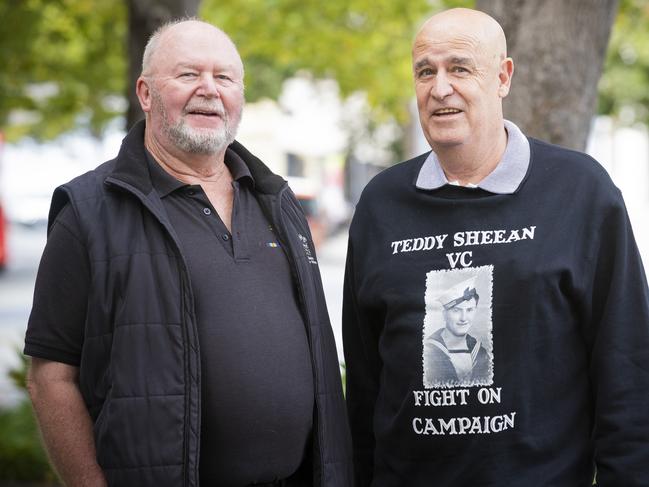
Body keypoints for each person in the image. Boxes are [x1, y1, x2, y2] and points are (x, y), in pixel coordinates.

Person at [24, 19, 352, 487]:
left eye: (224, 78)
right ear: (145, 93)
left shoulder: (277, 201)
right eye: (187, 75)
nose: (209, 90)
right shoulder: (88, 212)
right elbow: (50, 378)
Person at [343, 7, 649, 487]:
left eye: (460, 68)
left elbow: (628, 371)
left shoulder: (580, 192)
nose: (440, 87)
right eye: (426, 71)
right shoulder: (381, 203)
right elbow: (364, 386)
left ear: (503, 77)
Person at [423, 276, 489, 387]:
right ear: (444, 314)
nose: (464, 318)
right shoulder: (430, 351)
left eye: (469, 310)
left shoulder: (480, 352)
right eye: (456, 310)